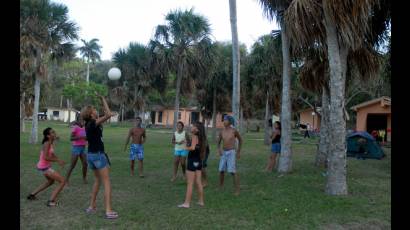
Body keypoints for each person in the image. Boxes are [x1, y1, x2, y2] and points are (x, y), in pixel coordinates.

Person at [81, 94, 118, 219]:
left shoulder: (89, 124)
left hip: (90, 155)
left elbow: (108, 114)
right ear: (91, 115)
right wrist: (103, 99)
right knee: (107, 182)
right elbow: (107, 115)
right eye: (94, 110)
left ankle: (92, 206)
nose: (96, 111)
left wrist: (109, 112)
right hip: (98, 155)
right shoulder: (92, 123)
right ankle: (108, 210)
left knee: (98, 180)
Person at [27, 127, 66, 207]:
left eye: (54, 132)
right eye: (52, 132)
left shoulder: (50, 142)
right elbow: (45, 157)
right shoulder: (47, 143)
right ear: (48, 136)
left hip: (43, 167)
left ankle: (32, 195)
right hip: (44, 167)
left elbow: (51, 153)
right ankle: (51, 201)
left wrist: (58, 159)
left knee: (51, 182)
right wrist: (57, 161)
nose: (54, 133)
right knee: (62, 181)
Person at [178, 121, 207, 208]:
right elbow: (196, 147)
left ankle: (186, 203)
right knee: (198, 182)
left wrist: (185, 146)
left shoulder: (194, 136)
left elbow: (192, 148)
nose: (191, 127)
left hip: (192, 160)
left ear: (196, 129)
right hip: (198, 161)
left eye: (193, 126)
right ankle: (201, 201)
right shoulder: (201, 137)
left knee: (190, 183)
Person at [217, 115, 242, 195]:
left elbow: (241, 140)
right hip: (224, 153)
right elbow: (218, 142)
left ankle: (237, 190)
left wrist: (238, 152)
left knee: (232, 171)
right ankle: (221, 187)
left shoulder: (234, 131)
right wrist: (219, 150)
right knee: (221, 170)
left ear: (230, 121)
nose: (224, 121)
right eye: (223, 120)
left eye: (226, 120)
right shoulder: (222, 131)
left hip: (231, 152)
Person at [65, 119, 88, 185]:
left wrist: (87, 138)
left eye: (85, 121)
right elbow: (71, 138)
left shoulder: (84, 128)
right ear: (79, 121)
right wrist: (80, 137)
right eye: (83, 121)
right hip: (76, 148)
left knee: (85, 164)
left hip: (83, 147)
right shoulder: (76, 128)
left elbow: (86, 138)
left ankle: (84, 178)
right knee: (72, 165)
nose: (84, 122)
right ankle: (66, 180)